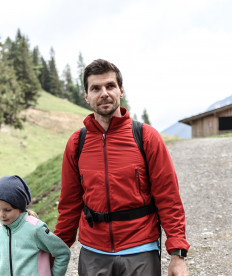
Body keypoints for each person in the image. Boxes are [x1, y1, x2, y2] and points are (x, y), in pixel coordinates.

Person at [54, 59, 190, 276]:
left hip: (141, 250)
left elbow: (169, 198)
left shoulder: (146, 137)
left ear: (121, 90)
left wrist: (178, 254)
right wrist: (53, 251)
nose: (104, 93)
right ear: (86, 96)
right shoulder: (76, 143)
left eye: (110, 86)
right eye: (96, 88)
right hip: (93, 252)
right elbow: (69, 205)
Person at [0, 175, 71, 276]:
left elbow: (62, 253)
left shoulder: (35, 229)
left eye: (7, 210)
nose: (1, 215)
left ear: (20, 207)